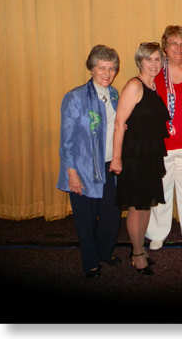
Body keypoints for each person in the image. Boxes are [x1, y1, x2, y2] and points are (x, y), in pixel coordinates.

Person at [57, 45, 122, 278]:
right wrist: (70, 171)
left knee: (111, 215)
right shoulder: (75, 97)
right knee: (85, 218)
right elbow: (67, 139)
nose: (107, 72)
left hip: (110, 166)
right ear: (92, 69)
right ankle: (90, 261)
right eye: (102, 67)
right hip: (83, 168)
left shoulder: (114, 94)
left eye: (111, 68)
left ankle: (105, 252)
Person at [110, 42, 171, 275]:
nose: (154, 64)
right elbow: (118, 124)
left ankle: (141, 248)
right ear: (140, 62)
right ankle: (136, 252)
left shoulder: (152, 86)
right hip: (134, 154)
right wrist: (117, 159)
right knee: (137, 206)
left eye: (158, 59)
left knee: (146, 204)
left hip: (151, 154)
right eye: (149, 59)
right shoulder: (134, 86)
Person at [145, 26, 182, 253]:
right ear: (165, 47)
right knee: (162, 191)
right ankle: (157, 233)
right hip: (162, 144)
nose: (178, 48)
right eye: (173, 44)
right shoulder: (156, 70)